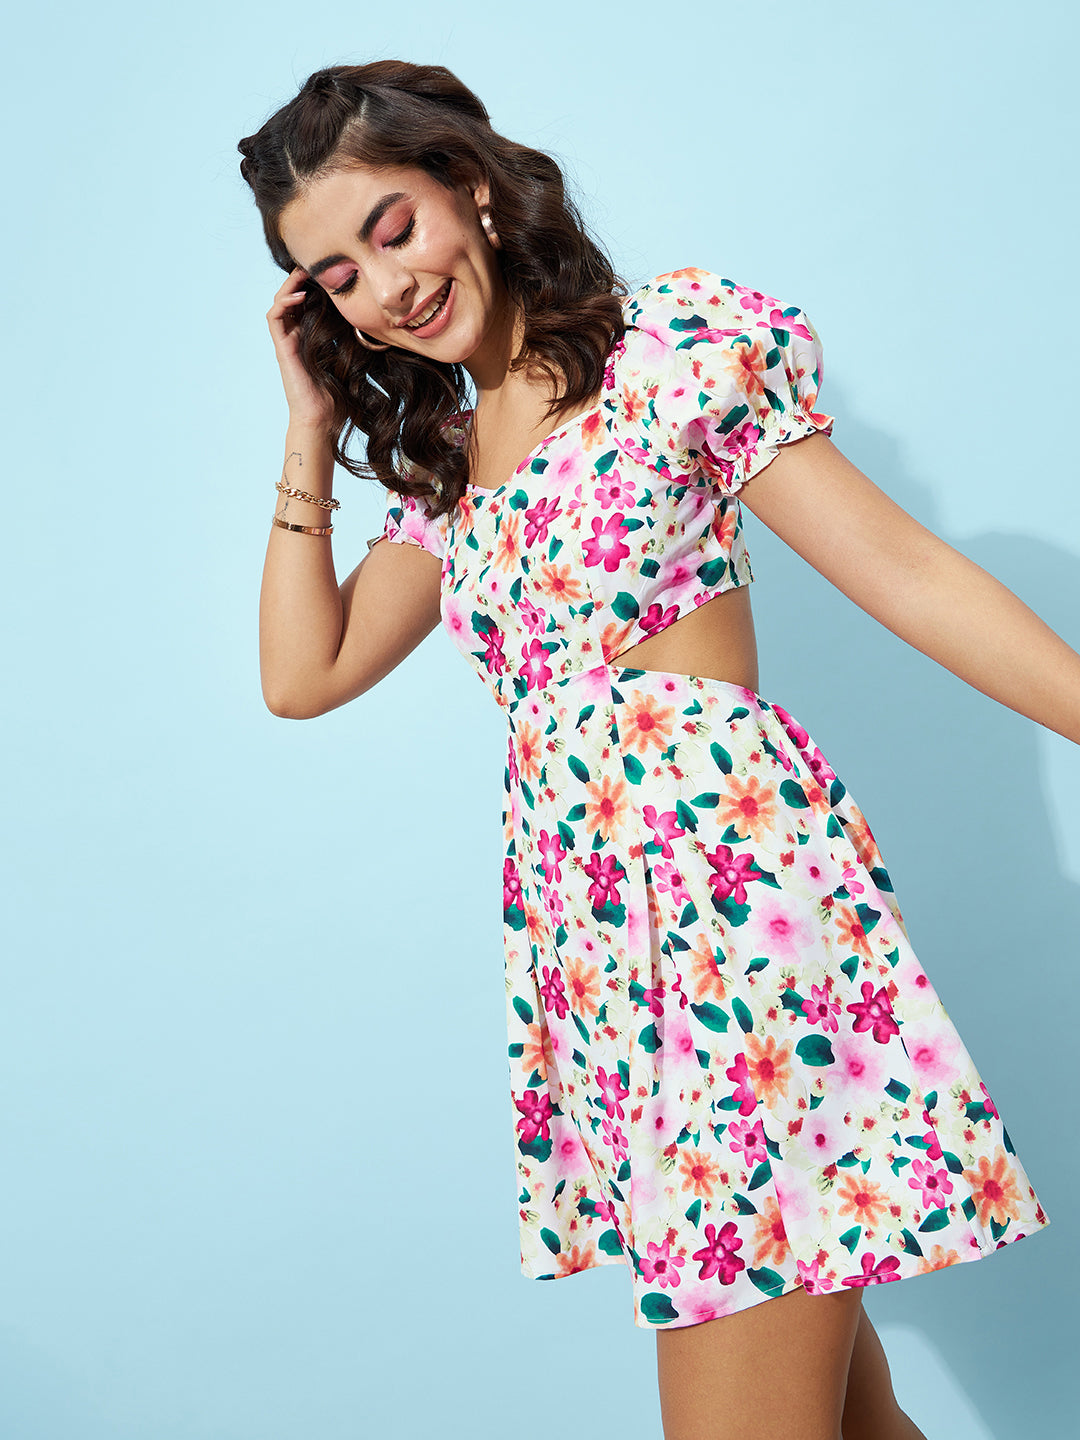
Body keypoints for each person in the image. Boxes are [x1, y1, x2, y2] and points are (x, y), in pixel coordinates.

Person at [238, 60, 1069, 1440]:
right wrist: (310, 425)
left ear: (473, 188)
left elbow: (907, 572)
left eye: (393, 228)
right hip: (614, 985)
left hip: (740, 940)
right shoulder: (452, 475)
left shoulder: (665, 350)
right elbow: (300, 673)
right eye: (338, 277)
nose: (385, 288)